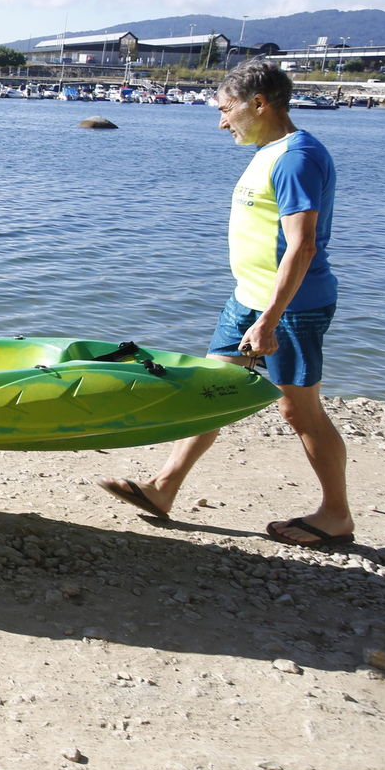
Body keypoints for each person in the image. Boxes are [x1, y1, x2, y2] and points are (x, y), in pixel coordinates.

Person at [99, 60, 350, 548]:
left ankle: (336, 514)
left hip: (292, 307)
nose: (221, 121)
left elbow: (302, 246)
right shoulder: (267, 150)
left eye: (226, 109)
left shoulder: (298, 157)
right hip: (247, 300)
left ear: (259, 103)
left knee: (299, 413)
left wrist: (270, 319)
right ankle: (162, 489)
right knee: (209, 390)